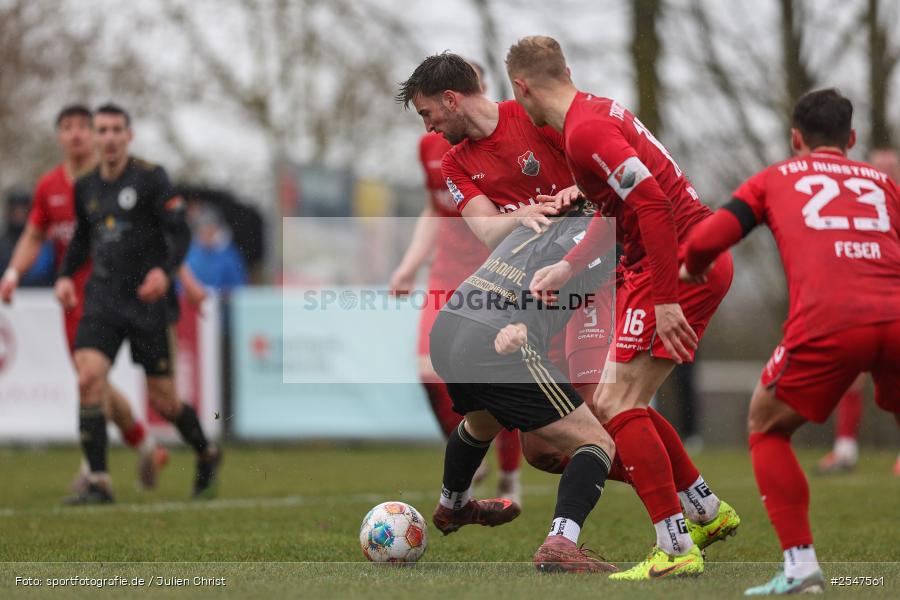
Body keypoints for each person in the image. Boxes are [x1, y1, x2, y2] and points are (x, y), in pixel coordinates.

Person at [505, 36, 740, 580]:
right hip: (685, 258)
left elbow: (653, 201)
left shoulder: (584, 131)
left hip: (677, 262)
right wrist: (567, 267)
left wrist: (663, 301)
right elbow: (618, 208)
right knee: (628, 402)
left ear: (522, 87)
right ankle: (704, 512)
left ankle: (676, 545)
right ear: (566, 69)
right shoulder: (594, 113)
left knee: (613, 402)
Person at [682, 88, 900, 595]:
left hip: (831, 321)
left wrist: (691, 267)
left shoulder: (775, 177)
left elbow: (708, 238)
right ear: (851, 138)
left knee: (766, 425)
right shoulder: (883, 183)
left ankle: (801, 568)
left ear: (796, 138)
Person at [396, 53, 614, 478]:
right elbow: (489, 233)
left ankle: (685, 502)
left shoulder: (534, 118)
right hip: (536, 293)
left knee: (604, 407)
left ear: (451, 99)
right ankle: (677, 490)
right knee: (544, 452)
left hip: (592, 273)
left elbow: (599, 168)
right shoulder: (453, 161)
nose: (428, 127)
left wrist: (576, 190)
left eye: (427, 113)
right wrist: (525, 211)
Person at [428, 199, 619, 572]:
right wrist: (520, 323)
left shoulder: (554, 212)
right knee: (596, 442)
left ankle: (454, 505)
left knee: (481, 423)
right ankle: (560, 543)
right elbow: (546, 274)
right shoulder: (600, 230)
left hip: (450, 323)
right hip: (495, 334)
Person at [55, 103, 221, 504]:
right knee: (88, 377)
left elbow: (179, 235)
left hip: (148, 303)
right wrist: (63, 275)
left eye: (116, 130)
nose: (109, 137)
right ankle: (99, 482)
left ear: (129, 136)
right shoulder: (87, 187)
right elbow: (82, 240)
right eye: (103, 130)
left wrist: (165, 272)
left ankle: (206, 452)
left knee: (164, 401)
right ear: (94, 139)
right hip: (103, 300)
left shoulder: (151, 179)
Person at [0, 104, 168, 491]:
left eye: (82, 126)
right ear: (59, 135)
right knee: (92, 380)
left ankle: (92, 472)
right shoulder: (50, 187)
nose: (76, 134)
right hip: (74, 297)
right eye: (67, 127)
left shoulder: (116, 181)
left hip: (119, 296)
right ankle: (145, 447)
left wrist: (181, 277)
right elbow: (34, 235)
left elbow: (159, 231)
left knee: (96, 380)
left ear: (93, 134)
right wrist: (12, 273)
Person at [391, 61, 523, 503]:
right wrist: (410, 265)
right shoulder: (433, 149)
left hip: (494, 266)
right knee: (428, 369)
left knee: (499, 375)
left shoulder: (501, 138)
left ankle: (509, 477)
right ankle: (472, 453)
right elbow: (434, 208)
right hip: (448, 269)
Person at [817, 146, 900, 477]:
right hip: (864, 299)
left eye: (889, 167)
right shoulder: (859, 212)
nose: (884, 173)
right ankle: (845, 450)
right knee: (851, 374)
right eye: (878, 167)